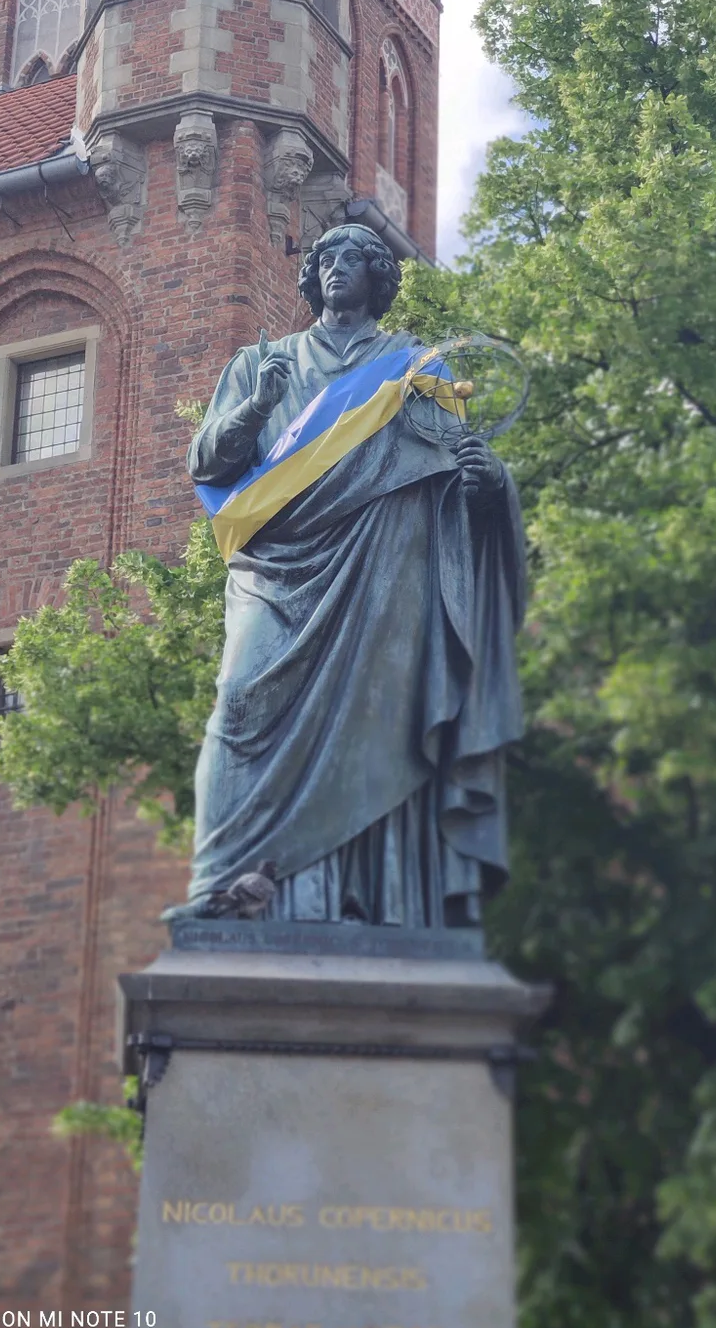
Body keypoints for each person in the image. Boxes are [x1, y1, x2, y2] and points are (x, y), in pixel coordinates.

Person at [184, 224, 526, 929]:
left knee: (377, 729)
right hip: (275, 567)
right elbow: (208, 463)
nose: (337, 267)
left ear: (378, 277)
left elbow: (451, 481)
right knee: (239, 704)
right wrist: (255, 407)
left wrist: (490, 485)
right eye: (327, 258)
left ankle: (366, 901)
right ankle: (220, 883)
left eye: (354, 258)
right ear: (312, 277)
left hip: (385, 561)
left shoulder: (417, 366)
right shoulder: (262, 362)